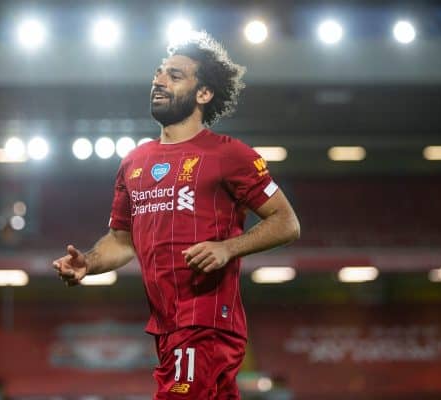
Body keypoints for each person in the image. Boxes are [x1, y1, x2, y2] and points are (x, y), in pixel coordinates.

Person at [53, 32, 300, 399]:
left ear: (204, 94)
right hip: (166, 327)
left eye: (175, 75)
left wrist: (228, 248)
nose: (159, 80)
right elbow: (122, 241)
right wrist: (87, 262)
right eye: (158, 73)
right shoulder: (134, 162)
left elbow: (286, 222)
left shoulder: (230, 155)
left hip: (205, 323)